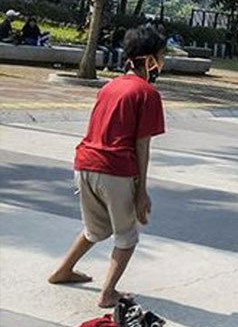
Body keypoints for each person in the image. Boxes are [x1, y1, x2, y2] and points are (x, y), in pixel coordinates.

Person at [47, 26, 167, 308]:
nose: (162, 62)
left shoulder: (109, 86)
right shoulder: (147, 93)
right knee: (127, 237)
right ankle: (108, 293)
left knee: (95, 229)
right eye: (161, 56)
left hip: (85, 163)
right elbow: (142, 145)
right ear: (150, 60)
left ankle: (62, 271)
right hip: (115, 170)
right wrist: (141, 191)